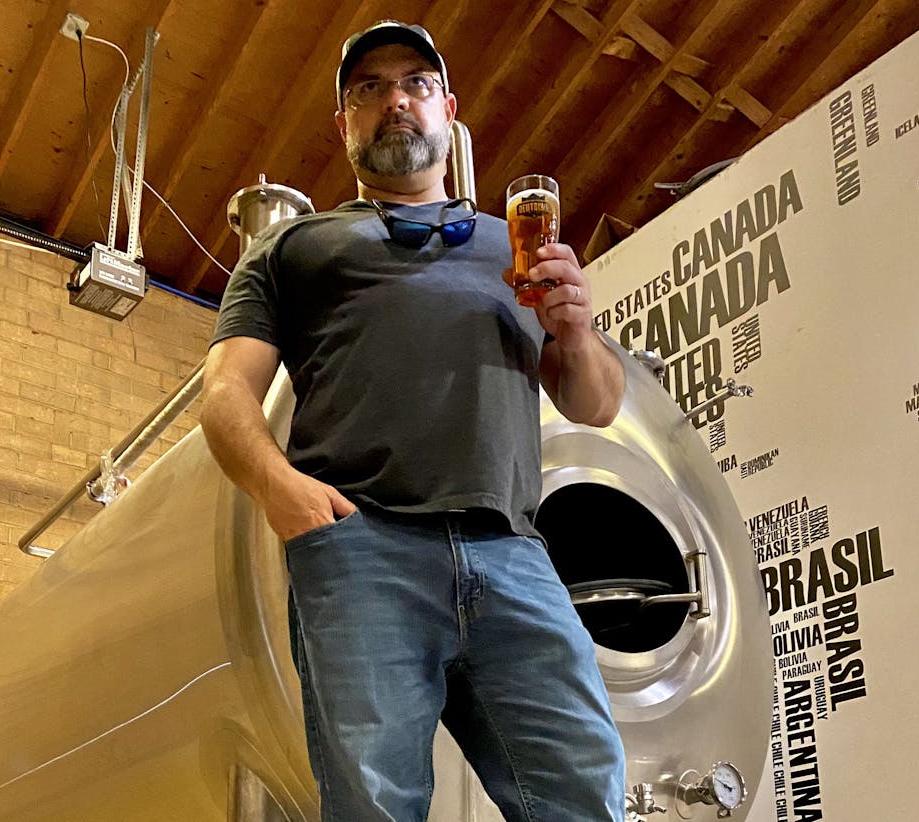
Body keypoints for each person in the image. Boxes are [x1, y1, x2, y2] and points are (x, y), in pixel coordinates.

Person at [199, 20, 627, 821]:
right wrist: (280, 490)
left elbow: (595, 403)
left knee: (586, 796)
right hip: (363, 549)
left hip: (513, 552)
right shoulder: (293, 247)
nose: (395, 100)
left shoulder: (516, 249)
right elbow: (224, 392)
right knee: (375, 807)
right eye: (369, 89)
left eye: (415, 85)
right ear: (344, 125)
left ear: (448, 110)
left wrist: (574, 328)